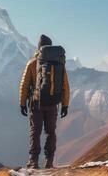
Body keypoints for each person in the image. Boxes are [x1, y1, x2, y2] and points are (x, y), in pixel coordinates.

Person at [19, 34, 70, 169]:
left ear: (38, 47)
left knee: (35, 131)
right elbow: (65, 84)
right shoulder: (59, 63)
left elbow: (24, 84)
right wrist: (65, 105)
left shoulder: (32, 63)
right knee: (51, 132)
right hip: (53, 103)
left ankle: (33, 161)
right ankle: (49, 161)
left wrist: (22, 103)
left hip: (36, 103)